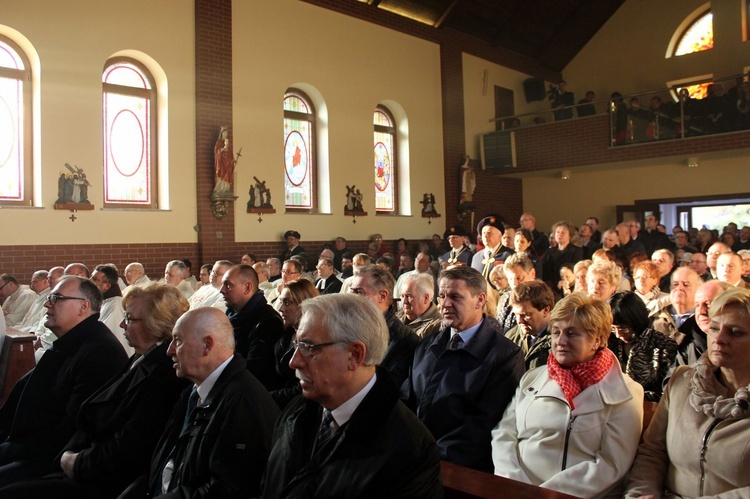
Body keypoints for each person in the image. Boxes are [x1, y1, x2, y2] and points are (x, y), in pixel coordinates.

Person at [0, 283, 191, 498]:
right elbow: (89, 416)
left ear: (156, 323)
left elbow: (130, 445)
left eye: (129, 319)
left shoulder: (164, 373)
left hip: (108, 479)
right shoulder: (140, 359)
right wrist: (68, 456)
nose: (121, 324)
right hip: (79, 459)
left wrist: (76, 462)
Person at [262, 294, 442, 498]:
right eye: (297, 345)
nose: (294, 362)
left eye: (308, 347)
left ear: (354, 355)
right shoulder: (295, 411)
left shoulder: (411, 450)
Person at [492, 292, 644, 498]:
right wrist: (513, 482)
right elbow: (504, 434)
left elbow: (611, 465)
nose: (560, 341)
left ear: (596, 340)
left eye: (572, 333)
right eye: (556, 332)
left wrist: (546, 495)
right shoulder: (533, 378)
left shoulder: (625, 392)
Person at [118, 308, 279, 498]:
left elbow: (228, 490)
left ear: (207, 345)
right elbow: (165, 459)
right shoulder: (193, 392)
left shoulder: (244, 403)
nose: (169, 350)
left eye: (177, 340)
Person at [0, 277, 129, 487]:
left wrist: (12, 448)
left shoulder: (99, 352)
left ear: (83, 307)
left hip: (51, 459)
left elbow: (71, 426)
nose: (47, 303)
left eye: (56, 298)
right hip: (27, 445)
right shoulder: (73, 341)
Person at [626, 287, 750, 498]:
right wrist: (641, 493)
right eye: (713, 328)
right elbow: (653, 452)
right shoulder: (682, 380)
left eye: (735, 332)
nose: (719, 339)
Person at [402, 266, 524, 472]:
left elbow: (485, 424)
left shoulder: (505, 355)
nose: (445, 304)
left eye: (455, 297)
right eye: (441, 297)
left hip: (461, 470)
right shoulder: (427, 345)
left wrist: (432, 456)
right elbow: (407, 403)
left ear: (480, 300)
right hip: (417, 460)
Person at [349, 264, 418, 388]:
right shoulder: (348, 329)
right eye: (352, 290)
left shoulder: (405, 341)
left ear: (382, 296)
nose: (352, 298)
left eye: (359, 292)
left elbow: (389, 390)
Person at [220, 264, 285, 390]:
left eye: (228, 285)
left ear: (247, 287)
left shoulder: (268, 321)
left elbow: (254, 371)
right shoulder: (231, 313)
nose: (222, 290)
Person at [608, 292, 677, 402]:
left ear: (636, 321)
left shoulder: (662, 345)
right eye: (613, 328)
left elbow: (666, 392)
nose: (618, 334)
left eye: (623, 329)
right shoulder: (609, 343)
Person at [270, 279, 318, 409]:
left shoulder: (316, 339)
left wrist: (267, 397)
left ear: (305, 304)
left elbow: (304, 386)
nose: (281, 309)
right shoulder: (287, 333)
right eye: (281, 302)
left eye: (287, 302)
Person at [504, 281, 554, 369]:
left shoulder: (560, 342)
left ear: (546, 310)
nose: (519, 321)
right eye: (516, 314)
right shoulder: (511, 337)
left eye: (526, 315)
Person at [397, 273, 441, 338]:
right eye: (403, 296)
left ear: (426, 298)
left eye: (408, 296)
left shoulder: (436, 326)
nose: (404, 302)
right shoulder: (398, 316)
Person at [471, 215, 514, 280]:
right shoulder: (476, 257)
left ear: (499, 235)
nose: (485, 236)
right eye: (483, 233)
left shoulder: (509, 255)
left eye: (489, 233)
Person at [542, 221, 583, 287]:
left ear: (570, 235)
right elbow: (545, 270)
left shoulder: (577, 251)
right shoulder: (549, 251)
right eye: (557, 232)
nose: (559, 234)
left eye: (563, 233)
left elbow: (576, 270)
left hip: (569, 285)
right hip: (551, 285)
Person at [212, 126, 235, 193]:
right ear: (221, 133)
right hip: (221, 163)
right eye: (224, 133)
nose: (225, 135)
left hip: (228, 162)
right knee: (221, 173)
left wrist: (232, 159)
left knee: (228, 172)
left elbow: (230, 152)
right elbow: (216, 151)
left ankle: (226, 188)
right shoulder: (218, 142)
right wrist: (222, 149)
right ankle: (219, 188)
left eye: (226, 133)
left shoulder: (228, 143)